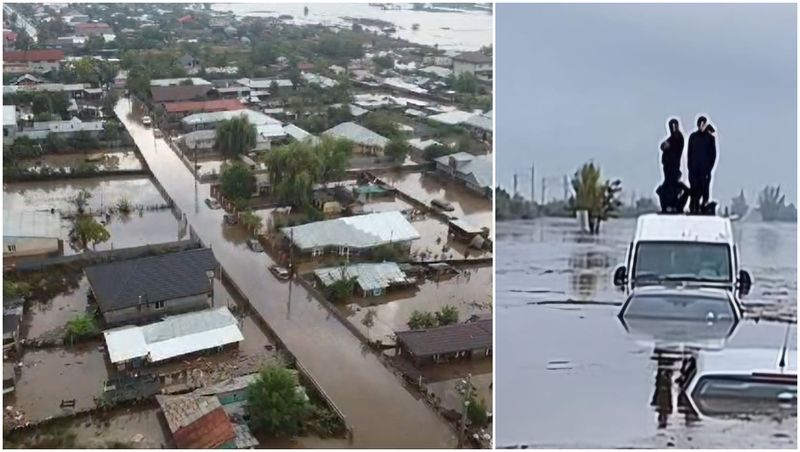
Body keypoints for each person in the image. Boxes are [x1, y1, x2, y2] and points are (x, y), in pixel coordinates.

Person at [687, 116, 717, 214]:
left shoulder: (710, 138)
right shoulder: (693, 137)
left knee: (705, 190)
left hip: (705, 170)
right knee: (694, 190)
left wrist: (709, 168)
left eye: (703, 124)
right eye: (700, 124)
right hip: (694, 170)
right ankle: (694, 208)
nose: (701, 126)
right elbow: (689, 154)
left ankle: (704, 206)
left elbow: (713, 155)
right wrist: (690, 168)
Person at [660, 118, 684, 184]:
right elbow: (662, 146)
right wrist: (664, 146)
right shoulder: (671, 139)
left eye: (674, 126)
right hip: (668, 165)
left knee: (672, 184)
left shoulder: (678, 137)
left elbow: (677, 145)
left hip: (674, 165)